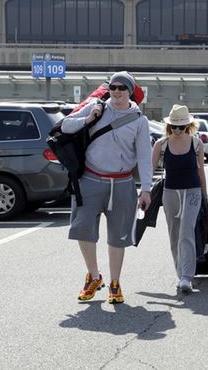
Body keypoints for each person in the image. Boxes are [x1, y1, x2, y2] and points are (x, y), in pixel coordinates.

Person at [61, 71, 153, 304]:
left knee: (118, 236)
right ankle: (94, 276)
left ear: (130, 91)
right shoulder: (96, 106)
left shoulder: (139, 120)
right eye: (113, 87)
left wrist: (146, 189)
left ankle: (115, 283)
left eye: (122, 88)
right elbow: (64, 126)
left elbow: (144, 156)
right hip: (90, 180)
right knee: (83, 230)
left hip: (122, 183)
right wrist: (88, 119)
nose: (117, 92)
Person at [152, 105, 207, 293]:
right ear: (168, 127)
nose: (177, 130)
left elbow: (201, 171)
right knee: (174, 234)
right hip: (170, 193)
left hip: (192, 192)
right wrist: (144, 192)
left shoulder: (196, 143)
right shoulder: (161, 144)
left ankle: (186, 277)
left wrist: (205, 196)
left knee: (186, 232)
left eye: (181, 127)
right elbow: (149, 170)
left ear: (188, 126)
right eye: (174, 127)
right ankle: (180, 272)